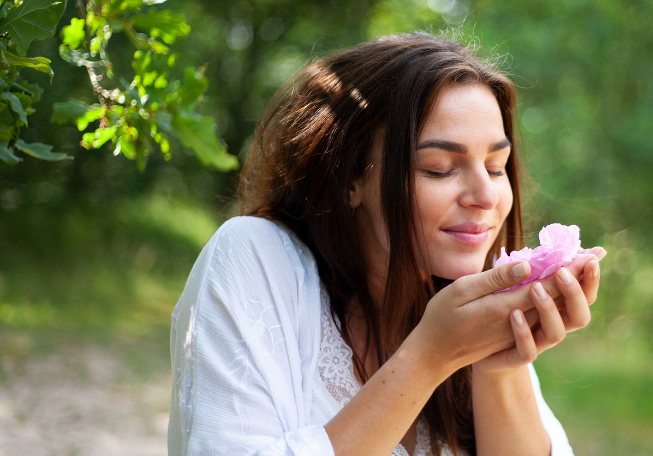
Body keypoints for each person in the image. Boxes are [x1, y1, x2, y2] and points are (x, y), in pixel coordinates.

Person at [168, 32, 603, 456]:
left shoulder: (470, 314)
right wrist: (429, 358)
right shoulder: (255, 256)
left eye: (495, 166)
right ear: (351, 177)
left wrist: (496, 364)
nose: (486, 196)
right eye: (438, 168)